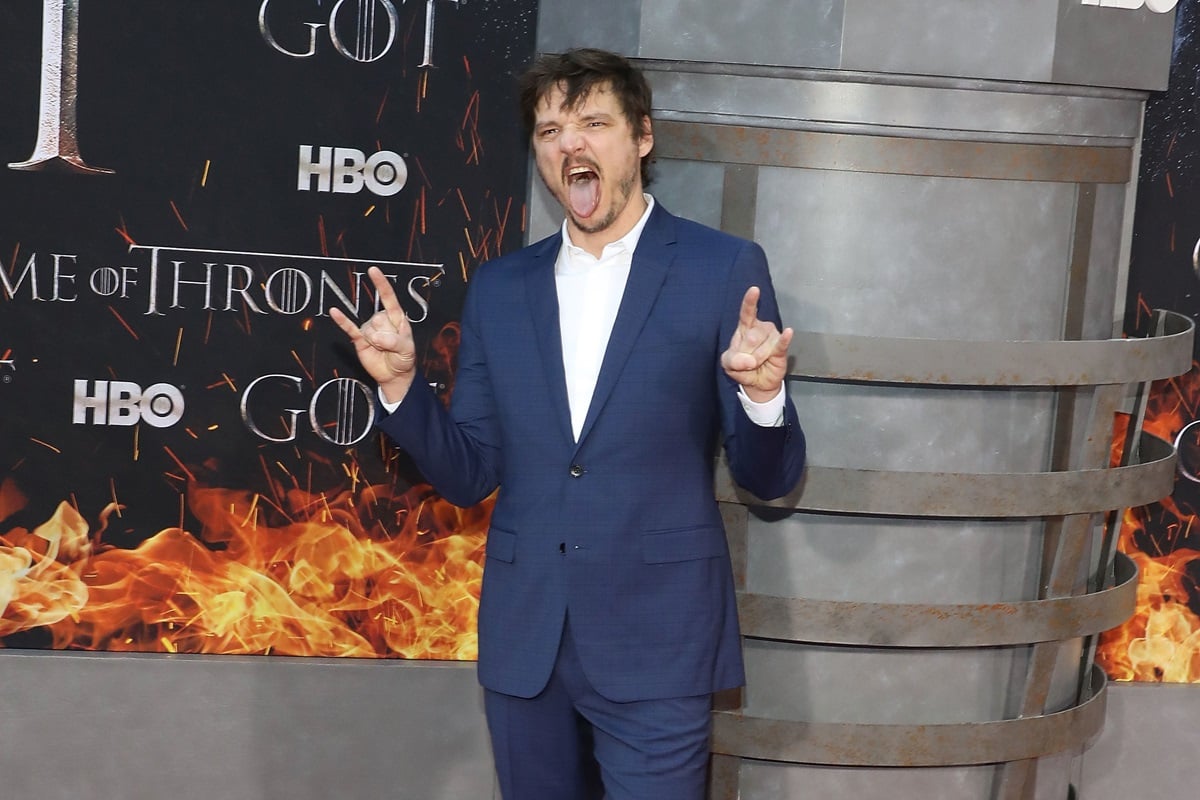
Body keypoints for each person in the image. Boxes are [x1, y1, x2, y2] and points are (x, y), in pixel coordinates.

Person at [331, 47, 805, 800]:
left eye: (592, 122)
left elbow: (769, 477)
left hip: (660, 640)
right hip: (528, 642)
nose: (569, 144)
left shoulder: (721, 269)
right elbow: (468, 472)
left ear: (642, 137)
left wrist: (763, 398)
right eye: (550, 130)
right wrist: (401, 387)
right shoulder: (501, 286)